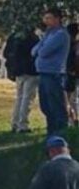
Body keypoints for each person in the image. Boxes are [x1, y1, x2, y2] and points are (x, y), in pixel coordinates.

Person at [33, 8, 70, 137]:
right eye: (45, 18)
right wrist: (40, 47)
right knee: (46, 105)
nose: (46, 21)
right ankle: (51, 131)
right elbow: (34, 50)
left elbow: (43, 52)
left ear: (57, 19)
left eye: (49, 18)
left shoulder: (60, 34)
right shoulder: (48, 34)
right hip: (43, 73)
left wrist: (40, 49)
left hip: (54, 74)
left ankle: (61, 132)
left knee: (55, 104)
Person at [4, 28, 41, 134]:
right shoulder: (33, 38)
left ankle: (15, 123)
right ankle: (23, 124)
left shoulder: (14, 36)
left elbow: (6, 53)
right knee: (27, 98)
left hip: (18, 70)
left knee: (19, 97)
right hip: (31, 70)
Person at [67, 24, 79, 126]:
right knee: (73, 98)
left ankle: (72, 119)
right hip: (73, 73)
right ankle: (73, 118)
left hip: (68, 72)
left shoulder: (67, 44)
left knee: (69, 98)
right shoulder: (75, 44)